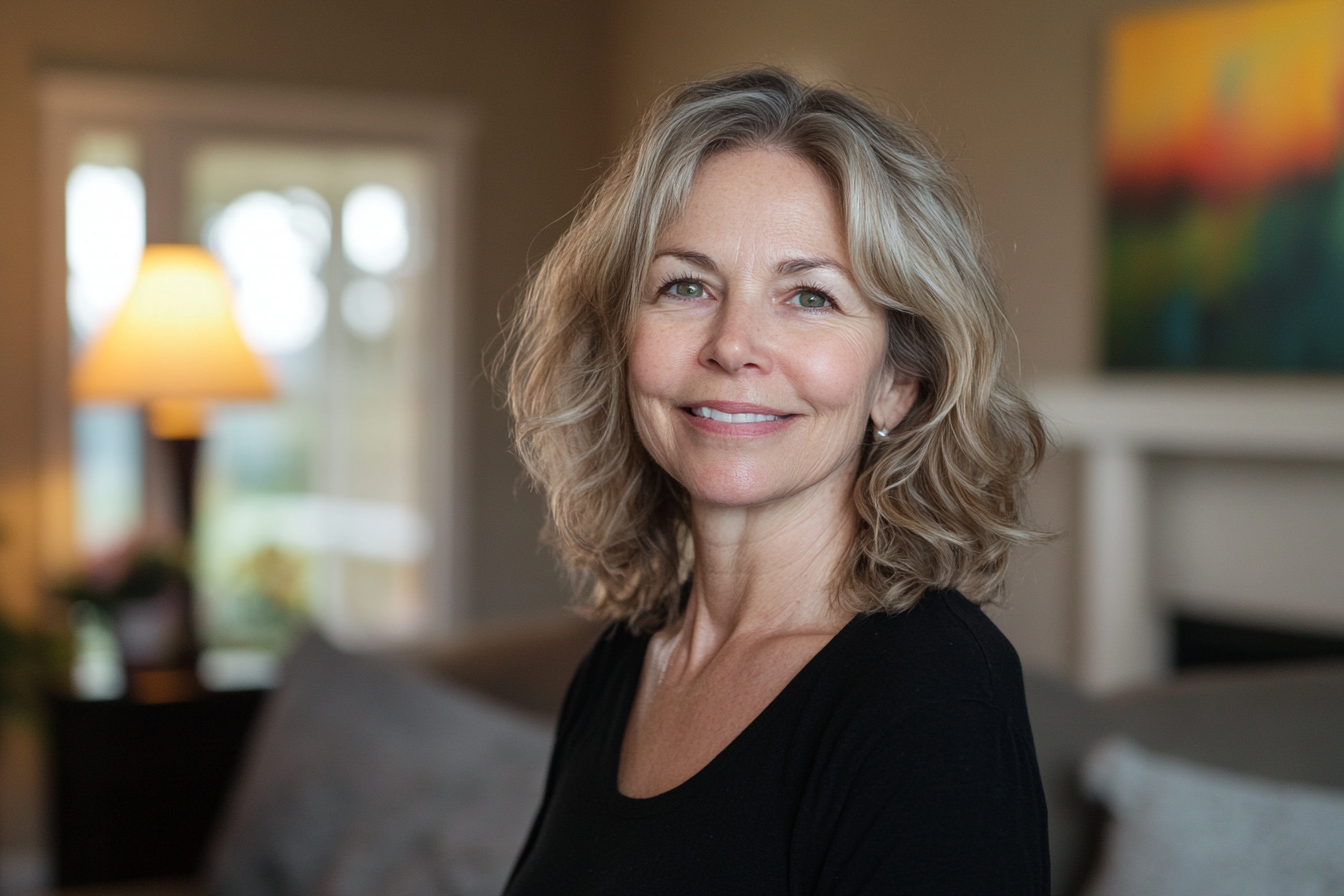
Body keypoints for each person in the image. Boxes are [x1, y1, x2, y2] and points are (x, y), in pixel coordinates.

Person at [501, 68, 1050, 895]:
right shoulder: (625, 663)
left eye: (809, 297)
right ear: (622, 340)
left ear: (899, 381)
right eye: (686, 285)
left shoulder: (935, 703)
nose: (734, 344)